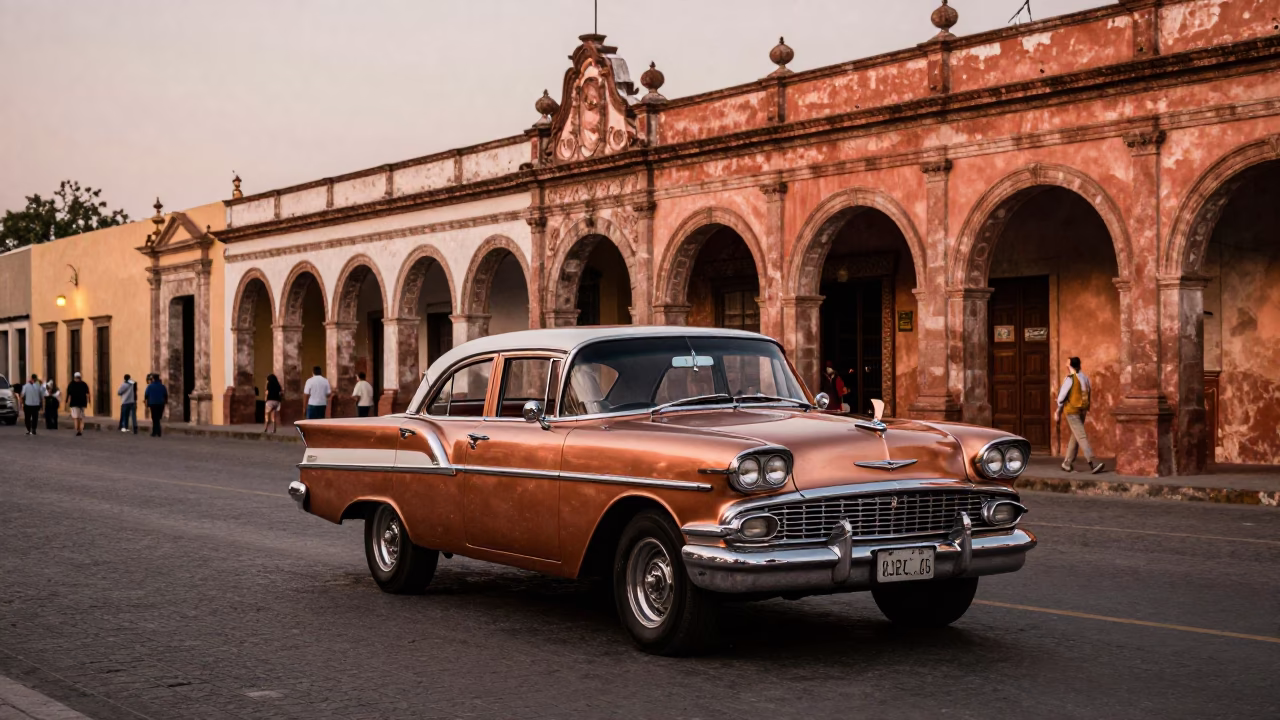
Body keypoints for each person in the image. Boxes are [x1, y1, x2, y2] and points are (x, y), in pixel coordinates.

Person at [1056, 356, 1105, 474]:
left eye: (1067, 363)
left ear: (1070, 365)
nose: (1066, 364)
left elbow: (1061, 398)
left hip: (1072, 411)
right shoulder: (1085, 377)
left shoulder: (1070, 379)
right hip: (1082, 411)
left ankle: (1088, 463)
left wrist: (1058, 410)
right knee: (1078, 435)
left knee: (1078, 436)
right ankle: (1071, 463)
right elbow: (1088, 393)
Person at [67, 371, 90, 436]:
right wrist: (88, 401)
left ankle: (78, 429)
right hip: (81, 403)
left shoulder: (71, 384)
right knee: (80, 417)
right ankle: (79, 429)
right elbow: (87, 394)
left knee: (76, 417)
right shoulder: (84, 384)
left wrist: (67, 402)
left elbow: (69, 394)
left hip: (75, 403)